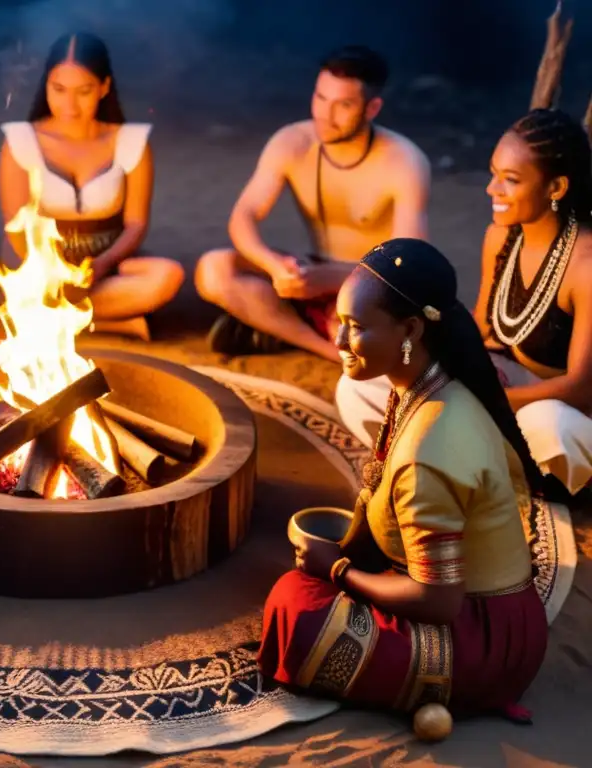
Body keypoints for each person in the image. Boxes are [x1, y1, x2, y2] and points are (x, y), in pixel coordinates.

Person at [259, 239, 547, 721]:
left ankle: (456, 689)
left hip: (484, 645)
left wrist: (339, 570)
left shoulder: (428, 451)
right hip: (502, 619)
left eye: (356, 327)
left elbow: (437, 601)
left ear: (411, 329)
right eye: (340, 321)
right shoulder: (430, 386)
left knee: (295, 605)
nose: (338, 340)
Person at [336, 109, 592, 496]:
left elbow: (579, 389)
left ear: (556, 187)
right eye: (493, 174)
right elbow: (482, 327)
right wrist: (449, 373)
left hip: (563, 409)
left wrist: (490, 399)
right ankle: (446, 466)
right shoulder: (501, 237)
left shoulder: (586, 266)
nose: (493, 189)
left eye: (511, 180)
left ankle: (534, 489)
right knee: (360, 388)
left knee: (550, 425)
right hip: (504, 381)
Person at [194, 46, 430, 361]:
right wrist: (272, 264)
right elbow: (244, 216)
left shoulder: (404, 161)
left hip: (371, 286)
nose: (325, 115)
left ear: (372, 108)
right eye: (320, 98)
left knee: (359, 327)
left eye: (343, 105)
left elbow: (407, 267)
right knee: (213, 268)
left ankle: (275, 327)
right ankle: (323, 349)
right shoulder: (292, 142)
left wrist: (331, 278)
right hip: (309, 270)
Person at [0, 32, 184, 341]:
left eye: (83, 91)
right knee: (14, 290)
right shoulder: (21, 141)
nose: (69, 104)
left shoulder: (130, 141)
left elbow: (136, 224)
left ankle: (50, 323)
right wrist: (51, 275)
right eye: (59, 90)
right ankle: (115, 322)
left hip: (108, 265)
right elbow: (16, 227)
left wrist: (102, 265)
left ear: (104, 88)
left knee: (167, 276)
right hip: (41, 269)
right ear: (46, 87)